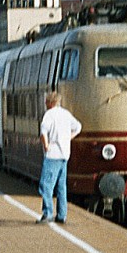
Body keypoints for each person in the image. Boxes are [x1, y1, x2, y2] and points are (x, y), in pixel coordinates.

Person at [38, 91, 81, 224]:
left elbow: (43, 132)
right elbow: (78, 127)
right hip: (64, 155)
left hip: (53, 155)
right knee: (61, 187)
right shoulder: (66, 113)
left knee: (46, 185)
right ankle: (62, 215)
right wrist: (68, 138)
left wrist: (46, 146)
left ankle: (48, 213)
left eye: (46, 101)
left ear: (50, 102)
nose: (45, 104)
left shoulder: (49, 115)